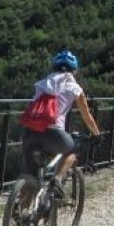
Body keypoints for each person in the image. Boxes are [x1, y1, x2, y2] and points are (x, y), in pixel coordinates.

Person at [20, 49, 102, 193]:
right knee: (71, 152)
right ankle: (56, 180)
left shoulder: (41, 84)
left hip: (29, 132)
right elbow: (87, 117)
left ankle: (23, 211)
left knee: (31, 177)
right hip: (54, 133)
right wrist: (97, 135)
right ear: (74, 71)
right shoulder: (74, 88)